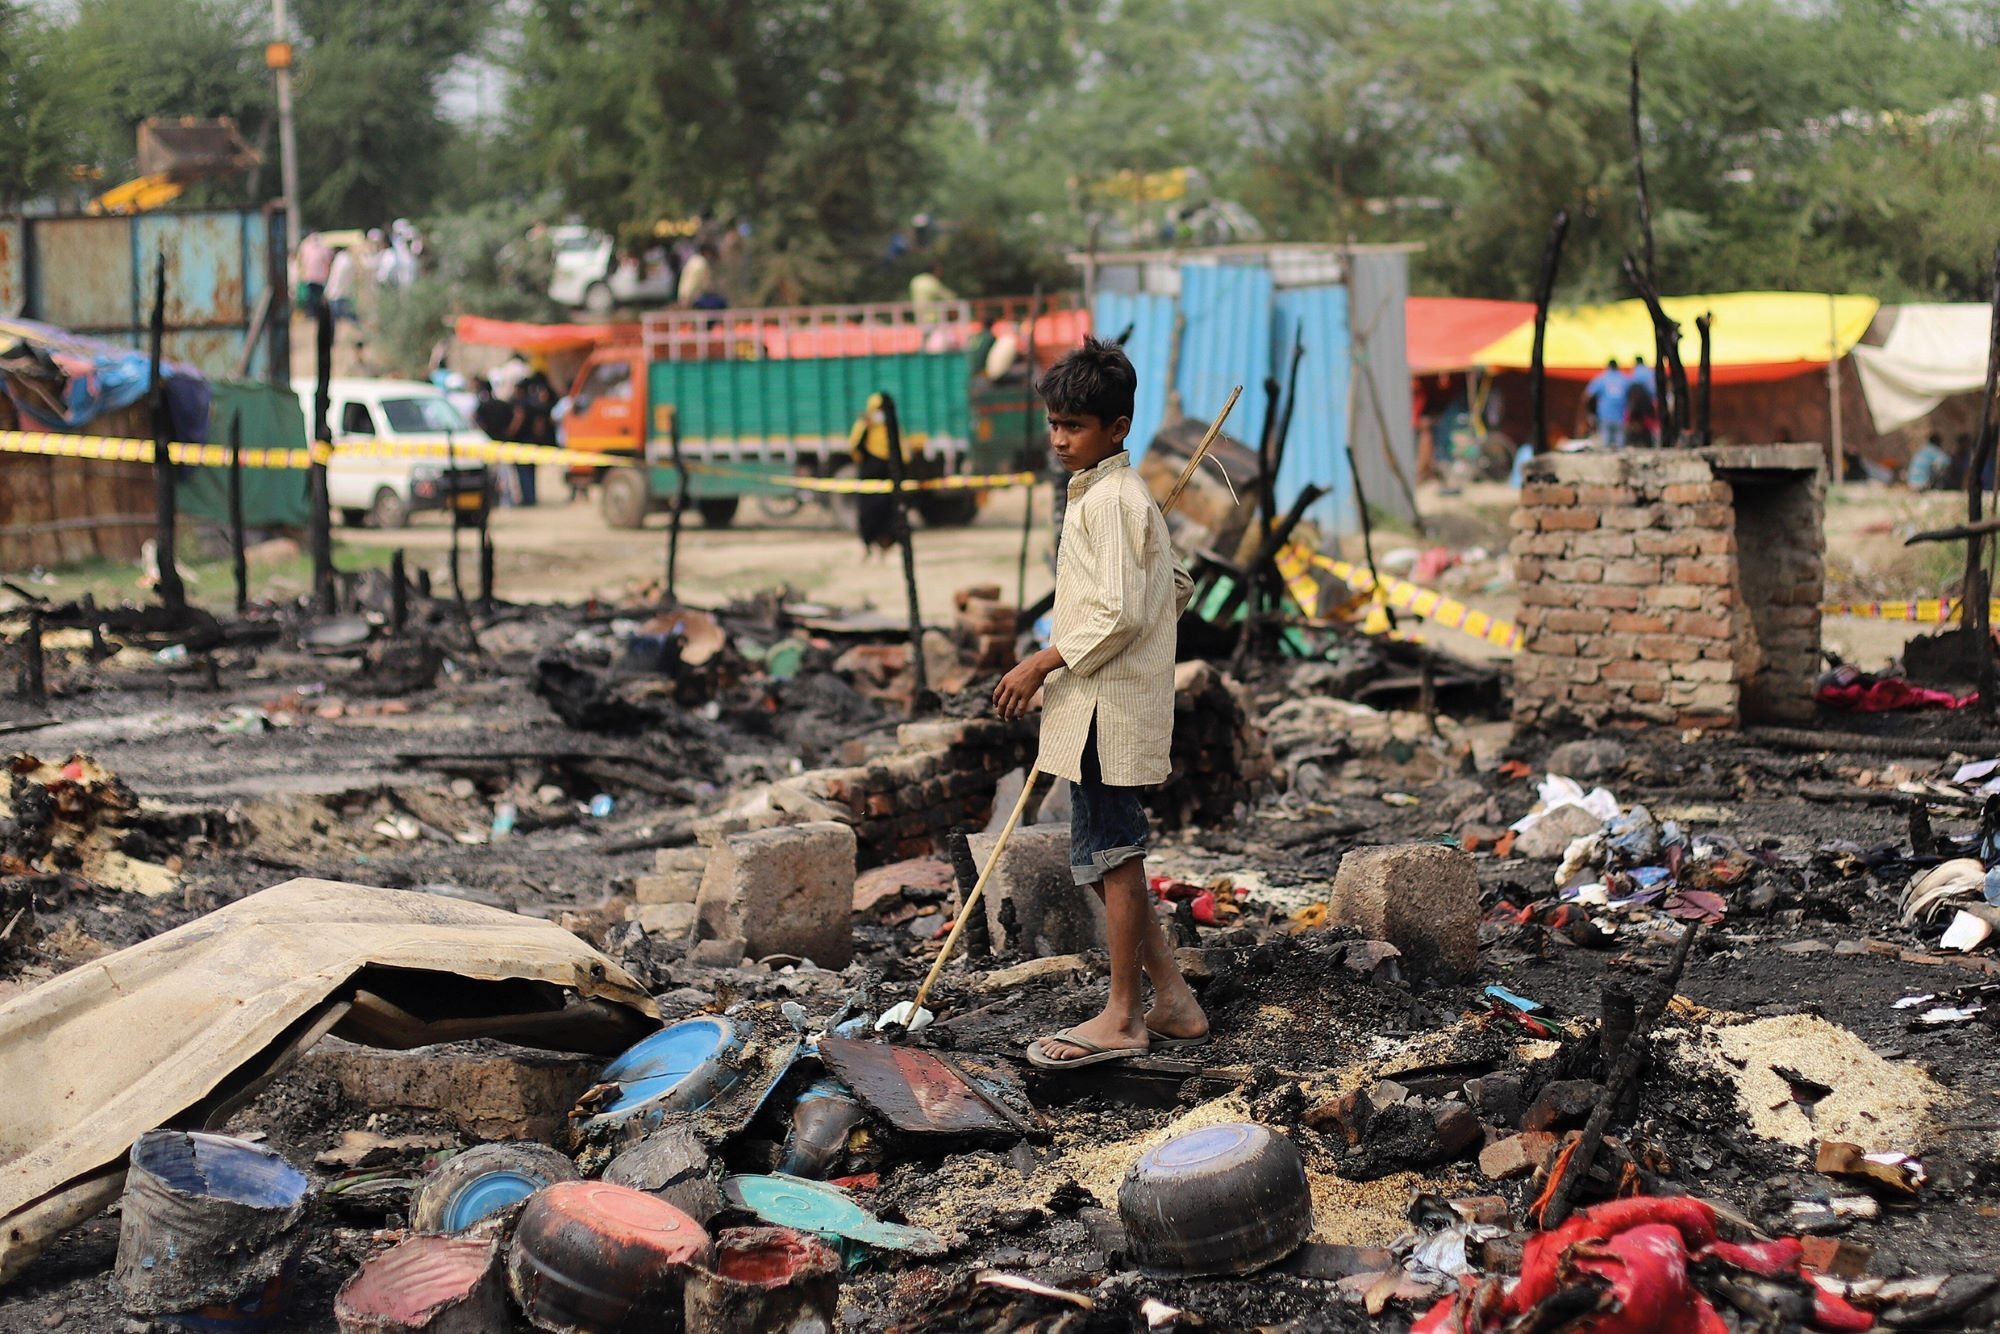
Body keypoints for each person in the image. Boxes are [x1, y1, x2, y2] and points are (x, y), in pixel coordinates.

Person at [993, 336, 1205, 1069]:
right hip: (1096, 706)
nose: (1058, 438)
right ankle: (1172, 998)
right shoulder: (1112, 494)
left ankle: (1122, 1014)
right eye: (1054, 424)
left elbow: (1118, 613)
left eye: (1074, 426)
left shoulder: (1112, 500)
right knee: (1112, 857)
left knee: (1116, 857)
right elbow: (1172, 588)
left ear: (1116, 429)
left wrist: (1040, 660)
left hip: (1102, 711)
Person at [847, 392, 904, 560]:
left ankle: (885, 548)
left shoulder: (892, 427)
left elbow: (902, 452)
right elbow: (854, 447)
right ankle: (867, 546)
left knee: (888, 515)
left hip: (888, 478)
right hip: (870, 476)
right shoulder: (865, 425)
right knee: (868, 514)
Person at [1583, 359, 1630, 447]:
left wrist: (1590, 412)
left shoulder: (1601, 378)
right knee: (1620, 445)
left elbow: (1587, 396)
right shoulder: (1625, 378)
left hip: (1605, 415)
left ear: (1608, 367)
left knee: (1606, 444)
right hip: (1621, 415)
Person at [296, 232, 332, 320]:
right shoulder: (323, 248)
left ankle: (312, 313)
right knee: (315, 296)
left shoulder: (306, 246)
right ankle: (314, 313)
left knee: (312, 296)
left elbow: (301, 260)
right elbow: (328, 262)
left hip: (311, 277)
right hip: (318, 277)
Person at [677, 242, 724, 309]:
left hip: (682, 296)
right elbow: (707, 286)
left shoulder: (692, 259)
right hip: (693, 300)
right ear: (708, 253)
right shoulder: (703, 263)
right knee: (720, 303)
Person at [325, 246, 359, 325]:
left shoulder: (340, 259)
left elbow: (335, 278)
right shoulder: (346, 259)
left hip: (337, 294)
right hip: (344, 293)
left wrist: (328, 291)